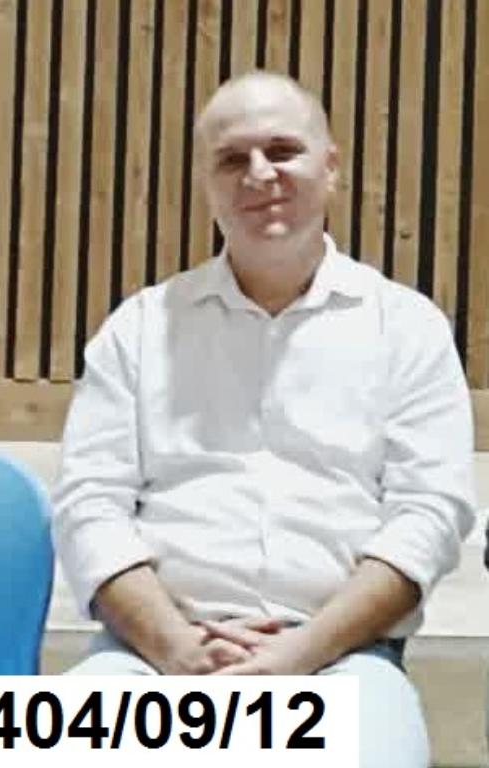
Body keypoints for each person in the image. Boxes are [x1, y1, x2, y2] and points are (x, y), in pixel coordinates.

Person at [53, 71, 475, 766]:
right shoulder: (139, 329)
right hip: (149, 661)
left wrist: (297, 655)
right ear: (207, 184)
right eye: (232, 159)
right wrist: (177, 649)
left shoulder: (408, 329)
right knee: (10, 743)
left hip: (342, 662)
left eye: (282, 151)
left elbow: (428, 518)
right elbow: (88, 509)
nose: (259, 174)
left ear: (330, 167)